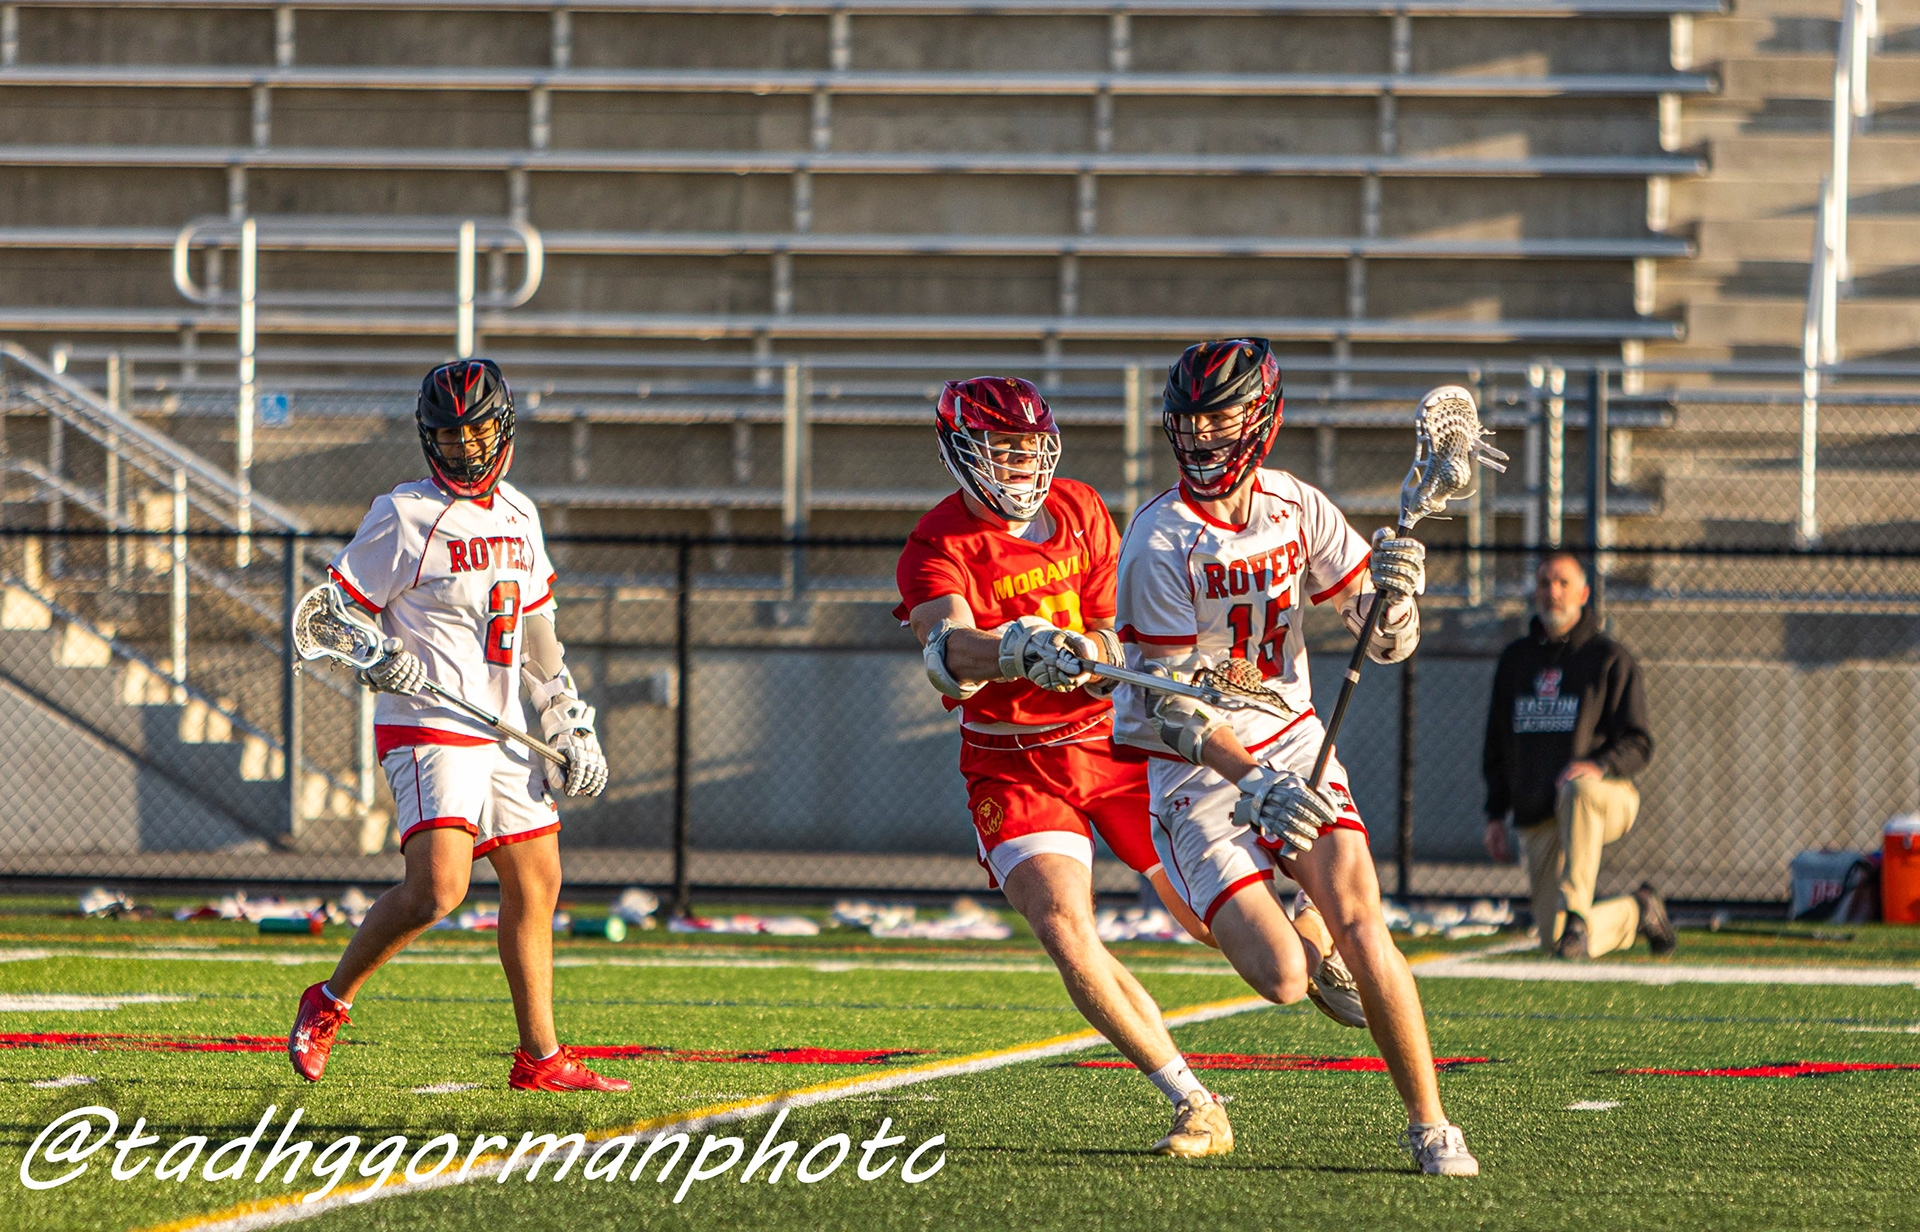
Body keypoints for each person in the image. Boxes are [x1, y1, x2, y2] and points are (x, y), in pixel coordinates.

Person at [898, 376, 1363, 1158]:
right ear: (961, 451)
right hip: (1012, 763)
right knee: (1063, 927)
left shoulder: (1080, 508)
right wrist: (1015, 648)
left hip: (1107, 740)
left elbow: (1122, 637)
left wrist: (1088, 653)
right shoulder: (935, 543)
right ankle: (1194, 1103)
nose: (1020, 464)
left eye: (1029, 448)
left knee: (1210, 927)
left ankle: (1313, 928)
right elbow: (947, 650)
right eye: (1002, 449)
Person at [1110, 338, 1479, 1176]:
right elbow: (1170, 707)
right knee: (1281, 976)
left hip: (1292, 736)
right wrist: (1254, 782)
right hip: (1200, 767)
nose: (1203, 436)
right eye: (1192, 420)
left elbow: (1383, 643)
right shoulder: (1160, 540)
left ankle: (1431, 1126)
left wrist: (1397, 599)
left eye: (1221, 418)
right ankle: (1303, 928)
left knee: (1364, 922)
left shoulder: (1296, 505)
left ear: (1262, 418)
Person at [288, 358, 627, 1092]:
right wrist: (378, 657)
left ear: (502, 428)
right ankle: (329, 1000)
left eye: (477, 431)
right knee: (437, 891)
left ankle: (540, 1058)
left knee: (537, 881)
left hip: (502, 727)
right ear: (428, 438)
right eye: (450, 434)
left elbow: (536, 630)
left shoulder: (521, 514)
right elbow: (328, 614)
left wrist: (566, 721)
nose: (466, 447)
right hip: (428, 721)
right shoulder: (404, 514)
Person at [1483, 551, 1672, 961]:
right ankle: (1638, 911)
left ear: (1584, 594)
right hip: (1539, 814)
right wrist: (1495, 813)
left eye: (1563, 583)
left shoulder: (1610, 658)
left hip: (1605, 798)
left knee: (1578, 788)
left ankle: (1575, 912)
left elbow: (1639, 742)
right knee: (1555, 943)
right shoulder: (1516, 660)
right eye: (1544, 583)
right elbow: (1497, 742)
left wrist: (1599, 765)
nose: (1553, 592)